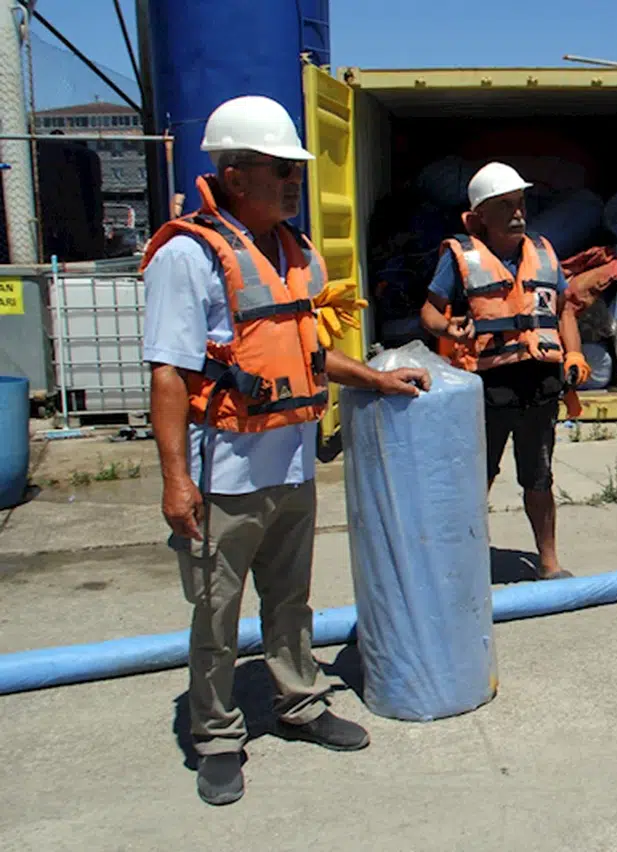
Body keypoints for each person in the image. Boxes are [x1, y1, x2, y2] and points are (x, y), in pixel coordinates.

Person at [140, 95, 431, 808]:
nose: (294, 181)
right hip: (224, 472)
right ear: (237, 175)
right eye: (281, 169)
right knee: (216, 613)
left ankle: (297, 704)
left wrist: (375, 378)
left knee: (291, 603)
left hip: (292, 464)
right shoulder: (188, 256)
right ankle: (215, 736)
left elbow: (307, 353)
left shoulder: (297, 253)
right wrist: (176, 481)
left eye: (295, 169)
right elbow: (169, 374)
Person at [420, 161, 587, 581]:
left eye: (520, 203)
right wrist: (448, 327)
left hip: (541, 380)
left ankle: (549, 562)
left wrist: (574, 354)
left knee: (539, 473)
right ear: (479, 218)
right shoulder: (461, 257)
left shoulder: (544, 252)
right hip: (489, 383)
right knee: (479, 476)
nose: (518, 213)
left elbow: (563, 310)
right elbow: (429, 312)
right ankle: (463, 562)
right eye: (505, 205)